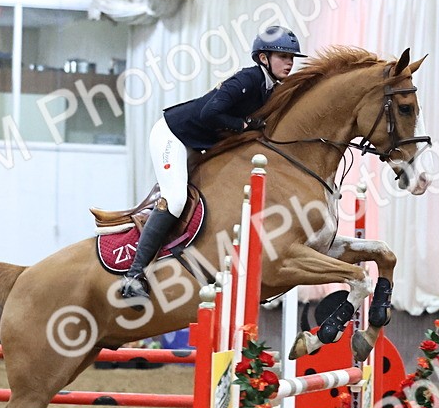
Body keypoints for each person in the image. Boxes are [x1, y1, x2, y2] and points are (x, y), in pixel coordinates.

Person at [119, 25, 306, 303]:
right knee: (176, 199)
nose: (289, 63)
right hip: (173, 135)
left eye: (291, 58)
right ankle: (133, 276)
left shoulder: (270, 89)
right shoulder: (248, 79)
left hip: (198, 143)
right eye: (282, 56)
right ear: (263, 58)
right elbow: (210, 113)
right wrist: (243, 124)